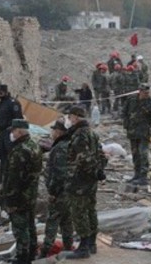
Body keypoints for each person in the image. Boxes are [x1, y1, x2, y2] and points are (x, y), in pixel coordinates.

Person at [0, 119, 42, 263]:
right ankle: (31, 253)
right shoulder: (34, 146)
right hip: (30, 194)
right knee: (30, 225)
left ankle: (22, 257)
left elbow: (14, 179)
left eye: (13, 131)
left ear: (19, 131)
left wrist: (9, 199)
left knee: (20, 228)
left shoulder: (20, 151)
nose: (11, 133)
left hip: (19, 197)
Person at [64, 106, 103, 259]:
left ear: (75, 117)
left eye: (70, 117)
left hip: (80, 179)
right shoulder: (92, 133)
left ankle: (84, 246)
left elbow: (84, 158)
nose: (69, 120)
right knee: (90, 210)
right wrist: (98, 171)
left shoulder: (80, 134)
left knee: (79, 212)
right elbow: (100, 154)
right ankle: (91, 243)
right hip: (91, 179)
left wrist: (91, 171)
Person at [40, 120, 73, 258]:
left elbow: (58, 174)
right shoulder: (71, 145)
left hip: (60, 192)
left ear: (59, 132)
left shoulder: (59, 148)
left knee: (53, 221)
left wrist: (53, 192)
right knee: (67, 221)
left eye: (54, 130)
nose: (52, 133)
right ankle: (68, 249)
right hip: (71, 191)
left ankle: (45, 252)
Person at [121, 83, 151, 185]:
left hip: (144, 132)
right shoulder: (131, 100)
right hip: (132, 131)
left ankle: (143, 176)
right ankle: (137, 174)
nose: (146, 94)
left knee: (143, 153)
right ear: (140, 91)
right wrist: (126, 125)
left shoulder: (150, 103)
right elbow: (124, 112)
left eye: (148, 93)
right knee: (135, 153)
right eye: (145, 93)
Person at [0, 84, 23, 182]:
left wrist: (12, 131)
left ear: (5, 91)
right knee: (2, 155)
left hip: (9, 133)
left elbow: (18, 119)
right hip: (2, 132)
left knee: (10, 155)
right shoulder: (2, 102)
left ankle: (10, 178)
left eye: (0, 92)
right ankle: (2, 176)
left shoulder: (13, 103)